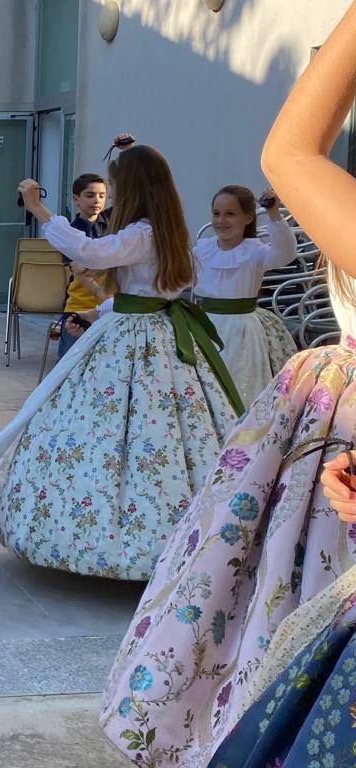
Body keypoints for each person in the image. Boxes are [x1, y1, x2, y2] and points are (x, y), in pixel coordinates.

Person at [101, 8, 356, 759]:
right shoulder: (198, 240)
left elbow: (288, 157)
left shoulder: (223, 238)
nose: (221, 220)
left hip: (264, 353)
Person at [0, 145, 242, 582]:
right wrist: (96, 313)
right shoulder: (167, 234)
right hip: (156, 331)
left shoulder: (142, 233)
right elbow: (145, 296)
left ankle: (121, 541)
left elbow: (88, 252)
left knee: (120, 430)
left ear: (134, 189)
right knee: (171, 432)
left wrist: (38, 208)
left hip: (137, 340)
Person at [193, 184, 298, 406]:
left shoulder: (254, 251)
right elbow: (177, 278)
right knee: (206, 385)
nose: (221, 220)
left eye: (230, 214)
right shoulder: (203, 250)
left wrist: (274, 215)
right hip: (204, 326)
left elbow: (284, 254)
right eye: (216, 213)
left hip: (242, 330)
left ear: (248, 218)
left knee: (241, 381)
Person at [56, 173, 111, 358]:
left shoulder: (110, 224)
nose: (97, 200)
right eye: (90, 195)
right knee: (71, 364)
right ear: (76, 199)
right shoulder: (70, 232)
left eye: (102, 196)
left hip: (109, 307)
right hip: (80, 307)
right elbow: (79, 272)